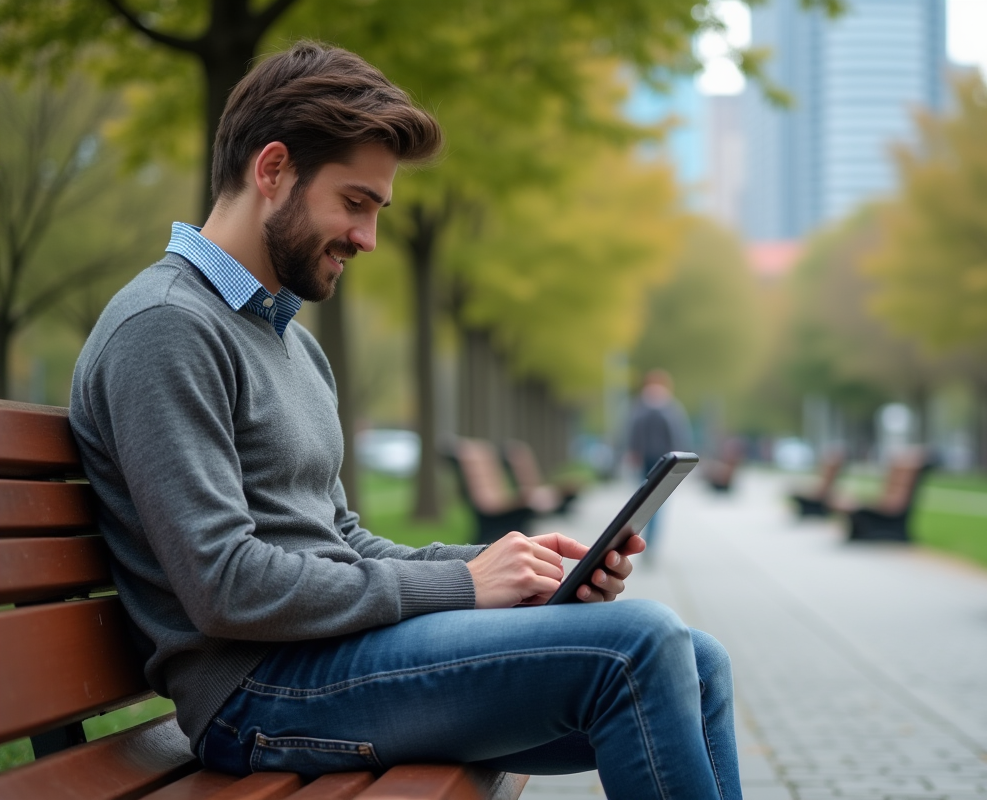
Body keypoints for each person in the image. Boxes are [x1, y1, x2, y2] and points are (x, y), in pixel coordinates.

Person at [68, 42, 740, 799]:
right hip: (256, 694)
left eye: (377, 211)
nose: (368, 238)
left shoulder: (290, 342)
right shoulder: (165, 327)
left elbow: (341, 541)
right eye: (355, 202)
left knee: (696, 657)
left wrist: (510, 569)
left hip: (333, 660)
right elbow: (225, 586)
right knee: (638, 646)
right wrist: (461, 585)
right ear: (273, 170)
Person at [627, 369, 693, 549]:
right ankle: (644, 540)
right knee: (649, 501)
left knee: (651, 501)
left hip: (661, 461)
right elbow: (679, 435)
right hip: (656, 460)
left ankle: (646, 540)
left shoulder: (647, 407)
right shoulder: (668, 407)